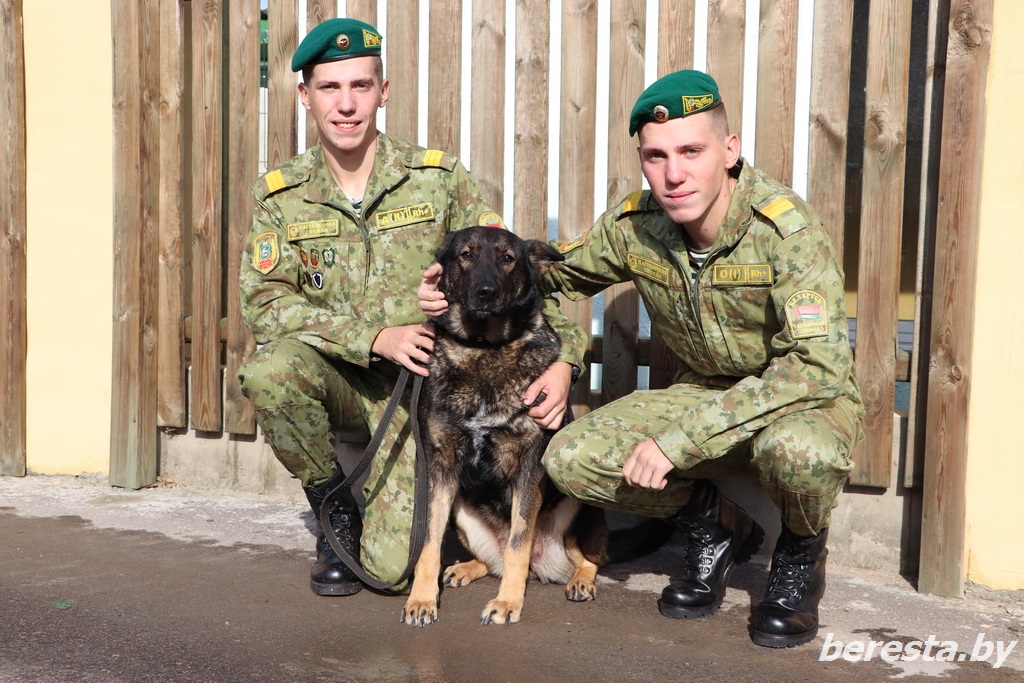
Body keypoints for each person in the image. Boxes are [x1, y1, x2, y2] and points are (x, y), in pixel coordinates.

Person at [420, 70, 863, 647]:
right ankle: (716, 524)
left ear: (730, 151)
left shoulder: (786, 233)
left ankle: (801, 555)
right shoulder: (636, 227)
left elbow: (816, 368)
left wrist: (676, 443)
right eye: (656, 156)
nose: (673, 174)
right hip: (703, 392)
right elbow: (537, 282)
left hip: (797, 401)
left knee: (801, 452)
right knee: (571, 457)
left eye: (691, 151)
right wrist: (559, 359)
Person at [237, 18, 586, 597]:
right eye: (329, 88)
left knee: (395, 574)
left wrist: (565, 360)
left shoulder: (437, 179)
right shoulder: (279, 193)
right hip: (332, 373)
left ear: (383, 89)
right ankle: (332, 508)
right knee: (270, 371)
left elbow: (514, 277)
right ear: (304, 96)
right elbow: (265, 303)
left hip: (419, 395)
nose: (346, 104)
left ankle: (431, 527)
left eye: (360, 86)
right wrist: (375, 335)